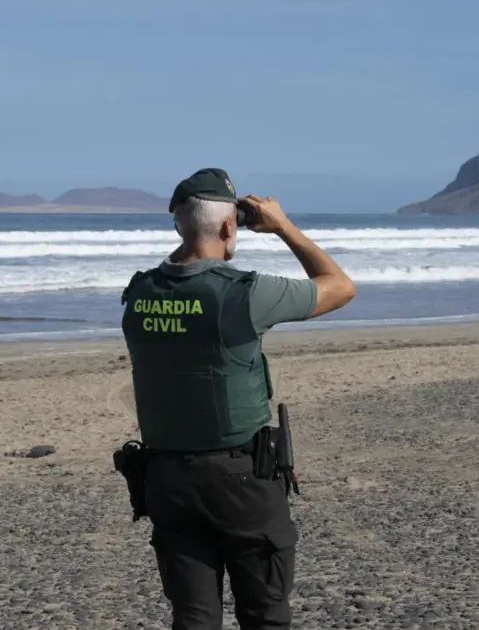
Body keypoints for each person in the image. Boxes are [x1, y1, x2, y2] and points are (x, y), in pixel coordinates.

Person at [119, 167, 356, 629]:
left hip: (167, 480)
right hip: (242, 481)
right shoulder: (245, 293)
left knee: (193, 617)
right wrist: (282, 226)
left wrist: (196, 231)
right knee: (264, 614)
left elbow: (182, 267)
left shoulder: (140, 293)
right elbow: (339, 286)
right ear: (231, 226)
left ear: (177, 225)